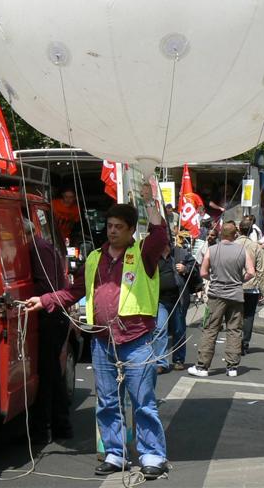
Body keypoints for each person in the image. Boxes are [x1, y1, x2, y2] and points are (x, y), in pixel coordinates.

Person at [24, 183, 169, 480]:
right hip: (103, 342)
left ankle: (152, 455)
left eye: (118, 227)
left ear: (131, 231)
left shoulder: (143, 254)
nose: (112, 231)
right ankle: (115, 454)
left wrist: (150, 202)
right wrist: (45, 300)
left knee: (143, 402)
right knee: (107, 402)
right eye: (109, 226)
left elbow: (160, 235)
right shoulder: (93, 258)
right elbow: (74, 291)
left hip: (136, 341)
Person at [188, 219, 254, 378]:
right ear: (235, 234)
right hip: (236, 295)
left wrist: (214, 277)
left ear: (221, 234)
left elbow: (203, 272)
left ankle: (202, 366)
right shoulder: (242, 250)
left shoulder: (212, 249)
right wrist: (240, 280)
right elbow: (251, 272)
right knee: (234, 330)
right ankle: (232, 367)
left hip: (216, 294)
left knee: (210, 329)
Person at [27, 229, 72, 441]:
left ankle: (49, 426)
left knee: (49, 373)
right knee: (52, 372)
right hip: (51, 313)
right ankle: (58, 425)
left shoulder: (39, 248)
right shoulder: (40, 246)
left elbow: (47, 285)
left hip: (51, 315)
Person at [152, 241, 199, 373]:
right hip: (160, 300)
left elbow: (195, 267)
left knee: (179, 329)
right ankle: (160, 362)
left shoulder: (180, 253)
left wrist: (186, 269)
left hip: (178, 299)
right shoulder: (153, 255)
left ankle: (178, 359)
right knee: (160, 329)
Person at [238, 218, 264, 355]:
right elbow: (261, 270)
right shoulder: (255, 246)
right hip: (251, 286)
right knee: (249, 315)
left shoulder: (232, 244)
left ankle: (235, 341)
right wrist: (263, 289)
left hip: (235, 285)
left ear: (239, 229)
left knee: (235, 315)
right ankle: (244, 342)